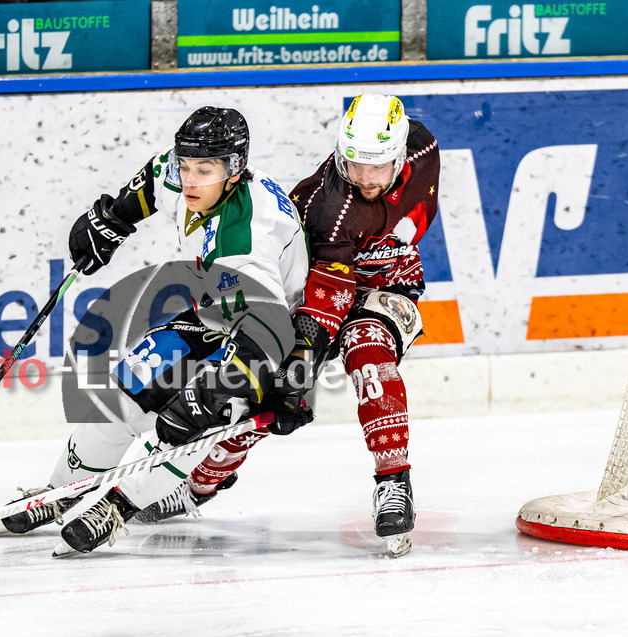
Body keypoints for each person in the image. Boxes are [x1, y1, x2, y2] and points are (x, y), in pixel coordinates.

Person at [0, 106, 310, 556]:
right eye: (188, 166)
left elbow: (271, 330)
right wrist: (111, 222)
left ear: (234, 169)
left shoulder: (244, 240)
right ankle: (63, 490)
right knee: (129, 383)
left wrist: (218, 390)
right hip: (217, 314)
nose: (192, 179)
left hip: (266, 340)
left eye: (206, 170)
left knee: (194, 416)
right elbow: (152, 180)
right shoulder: (181, 172)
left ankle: (118, 508)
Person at [137, 94, 440, 558]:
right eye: (353, 163)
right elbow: (325, 293)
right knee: (263, 401)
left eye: (376, 166)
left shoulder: (422, 148)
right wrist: (301, 358)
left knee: (368, 348)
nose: (362, 177)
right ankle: (197, 486)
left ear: (399, 155)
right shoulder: (326, 206)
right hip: (310, 301)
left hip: (389, 288)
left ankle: (393, 482)